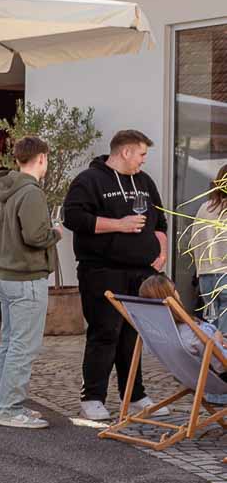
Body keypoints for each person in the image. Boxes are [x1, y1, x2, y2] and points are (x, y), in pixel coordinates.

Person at [63, 129, 167, 421]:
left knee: (134, 335)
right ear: (125, 151)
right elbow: (73, 218)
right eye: (141, 154)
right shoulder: (89, 180)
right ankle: (92, 398)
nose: (143, 160)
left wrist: (162, 252)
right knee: (105, 332)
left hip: (141, 273)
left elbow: (160, 222)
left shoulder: (144, 181)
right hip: (102, 271)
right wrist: (119, 224)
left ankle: (134, 394)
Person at [0, 136, 62, 430]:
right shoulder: (31, 192)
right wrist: (56, 234)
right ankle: (10, 409)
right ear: (42, 158)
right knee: (23, 347)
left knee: (10, 345)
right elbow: (35, 237)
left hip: (7, 277)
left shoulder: (8, 189)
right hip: (27, 279)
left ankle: (8, 403)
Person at [139, 274, 227, 405]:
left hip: (187, 377)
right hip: (218, 378)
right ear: (171, 296)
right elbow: (221, 365)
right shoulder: (191, 332)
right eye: (174, 290)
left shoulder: (154, 332)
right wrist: (216, 341)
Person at [184, 162, 227, 325]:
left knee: (211, 331)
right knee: (224, 335)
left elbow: (194, 241)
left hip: (206, 278)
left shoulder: (205, 208)